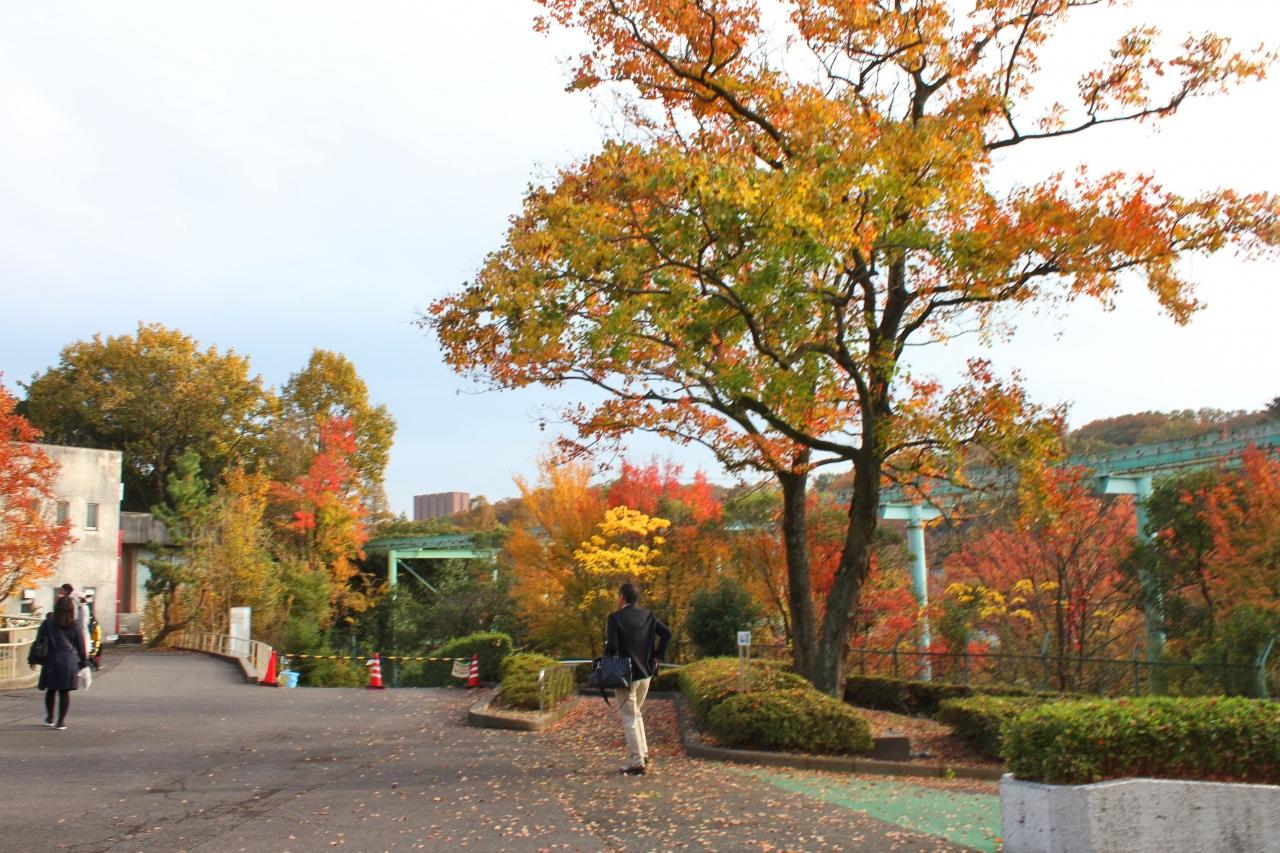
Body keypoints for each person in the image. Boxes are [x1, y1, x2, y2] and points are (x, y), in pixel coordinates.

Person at [603, 582, 671, 775]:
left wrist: (608, 653)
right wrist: (657, 656)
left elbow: (612, 646)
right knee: (636, 713)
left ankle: (636, 761)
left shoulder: (615, 618)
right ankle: (644, 753)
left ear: (621, 597)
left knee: (629, 717)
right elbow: (667, 634)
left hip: (626, 676)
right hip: (646, 674)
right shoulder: (648, 616)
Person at [29, 595, 88, 730]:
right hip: (68, 662)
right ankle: (61, 722)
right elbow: (81, 647)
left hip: (51, 660)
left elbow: (38, 642)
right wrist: (83, 664)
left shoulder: (47, 623)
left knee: (51, 690)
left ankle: (50, 717)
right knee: (64, 692)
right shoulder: (74, 625)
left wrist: (33, 659)